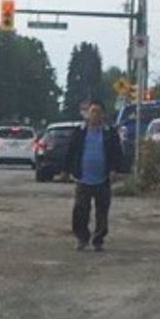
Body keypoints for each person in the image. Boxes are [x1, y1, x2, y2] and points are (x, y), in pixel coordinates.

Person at [63, 99, 125, 252]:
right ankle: (81, 238)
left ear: (103, 114)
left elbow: (117, 153)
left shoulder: (109, 133)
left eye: (98, 111)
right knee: (80, 209)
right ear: (88, 114)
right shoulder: (79, 132)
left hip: (103, 178)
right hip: (83, 178)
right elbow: (71, 152)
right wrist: (66, 170)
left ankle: (98, 239)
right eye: (92, 111)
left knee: (102, 211)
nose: (95, 115)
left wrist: (115, 170)